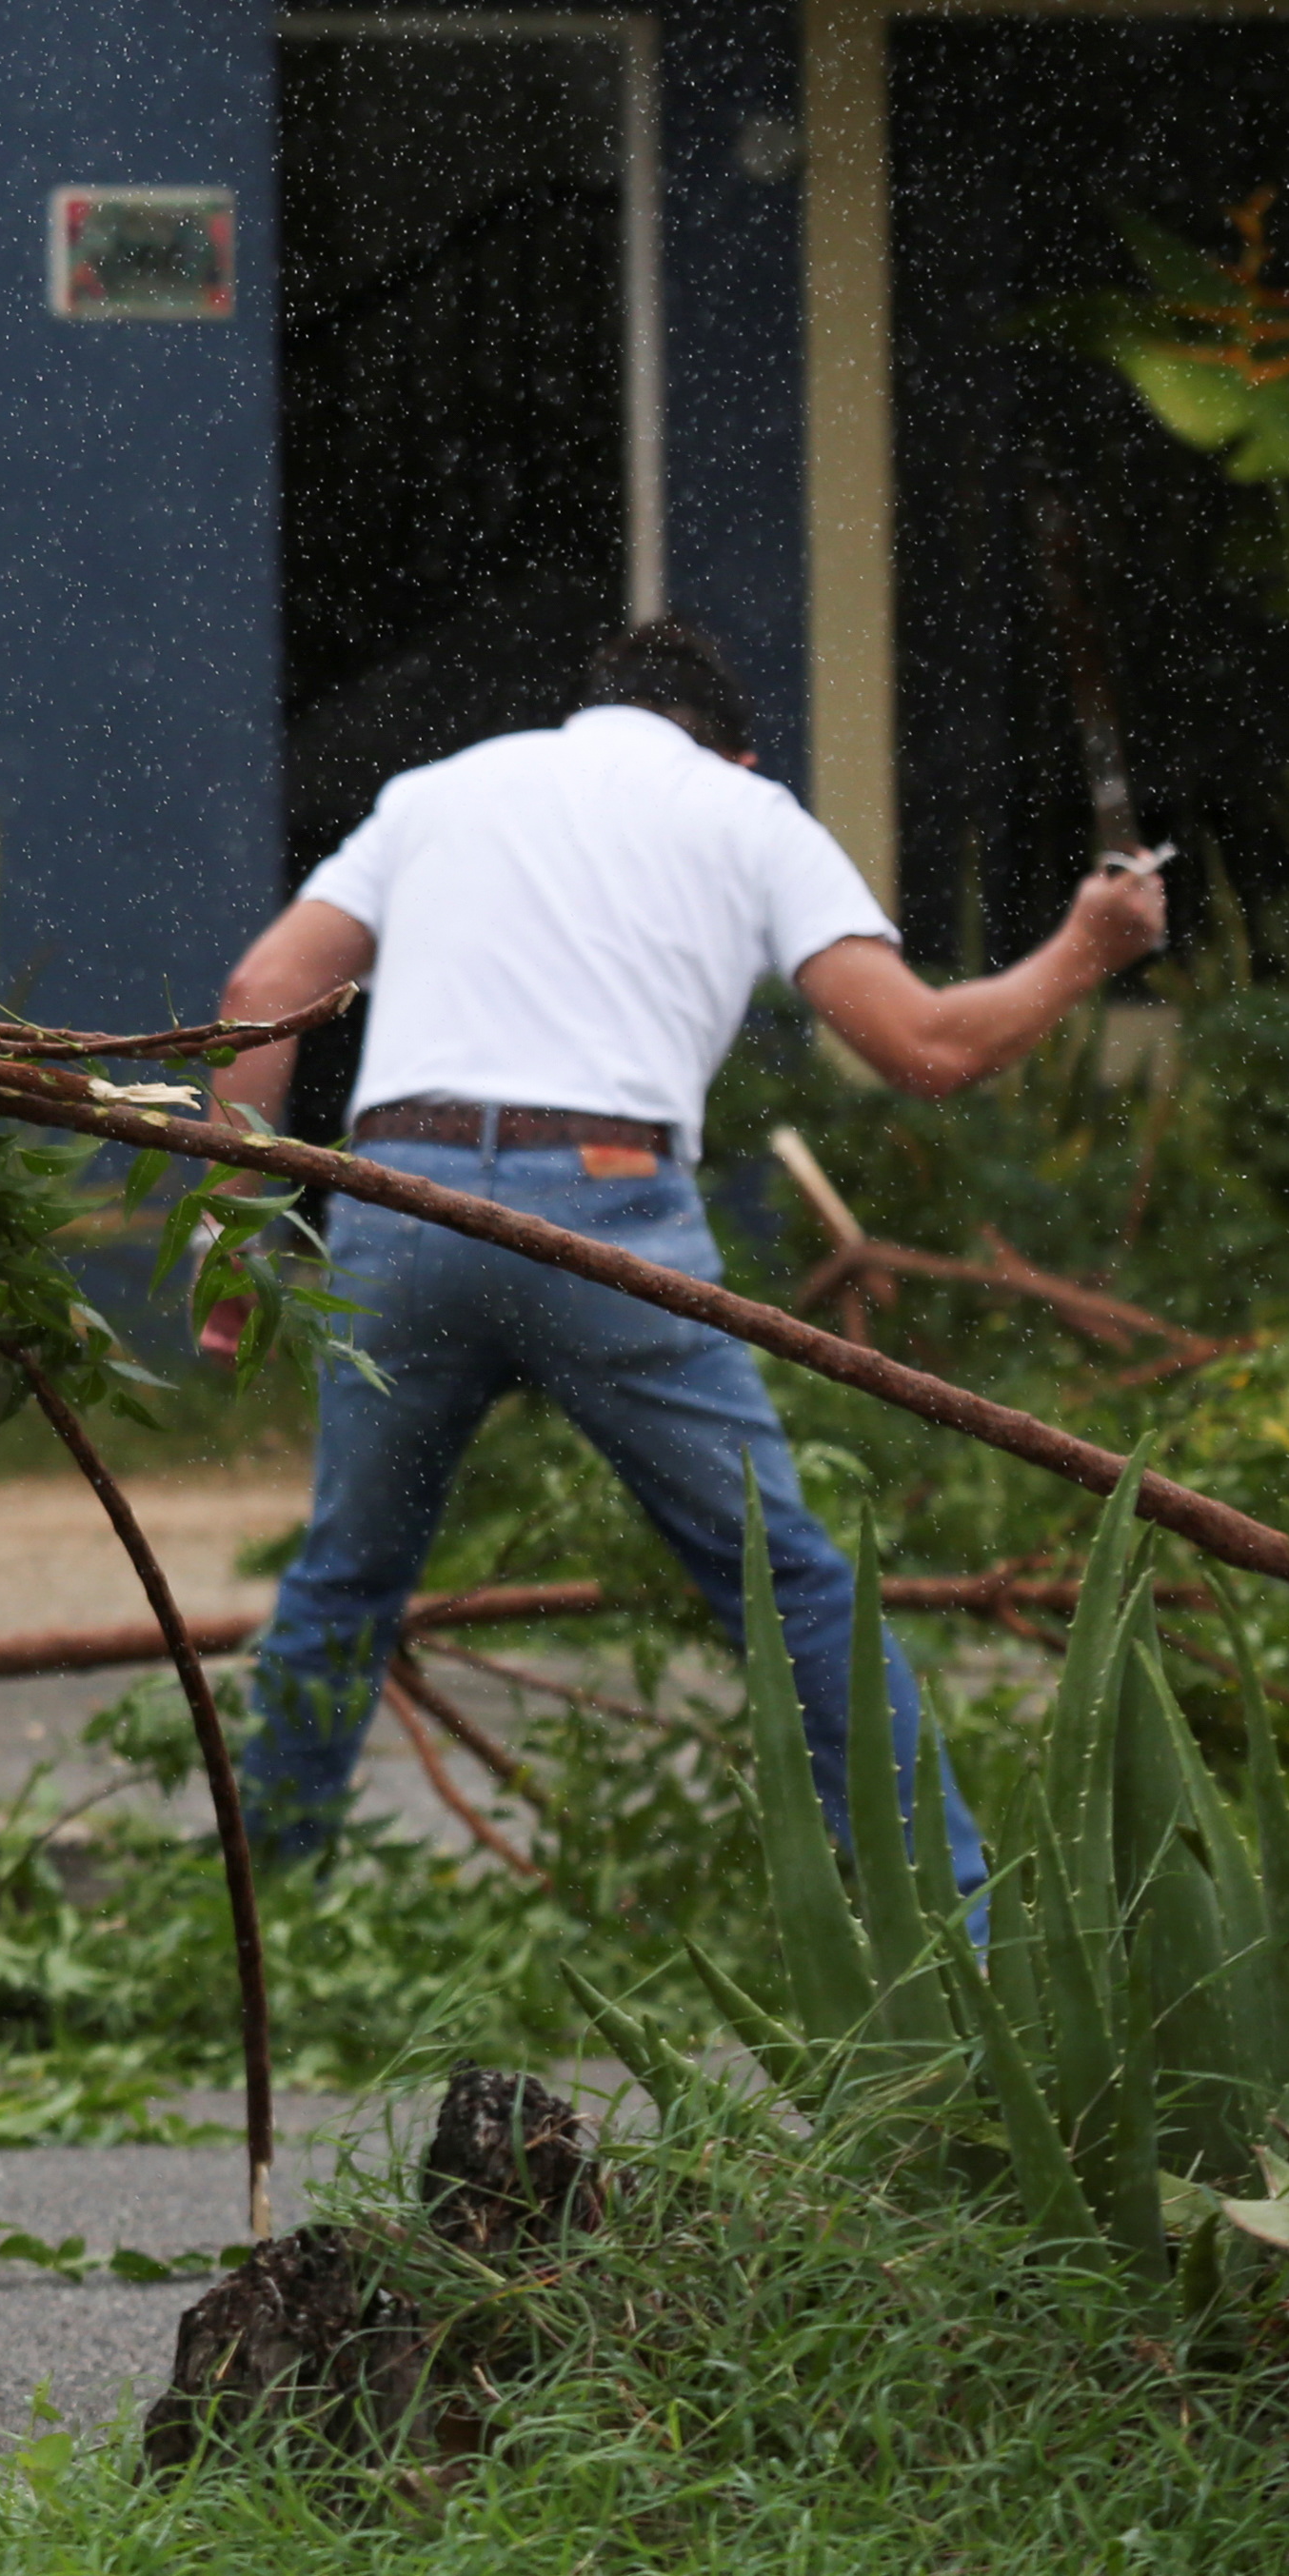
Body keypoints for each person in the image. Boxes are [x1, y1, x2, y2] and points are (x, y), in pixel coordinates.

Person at [202, 616, 1167, 1869]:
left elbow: (253, 996)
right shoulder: (746, 815)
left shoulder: (435, 794)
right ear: (739, 754)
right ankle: (952, 1924)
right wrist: (1088, 949)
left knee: (342, 1579)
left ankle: (256, 1920)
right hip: (607, 1212)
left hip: (402, 1196)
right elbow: (923, 1048)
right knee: (784, 1586)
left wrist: (233, 1244)